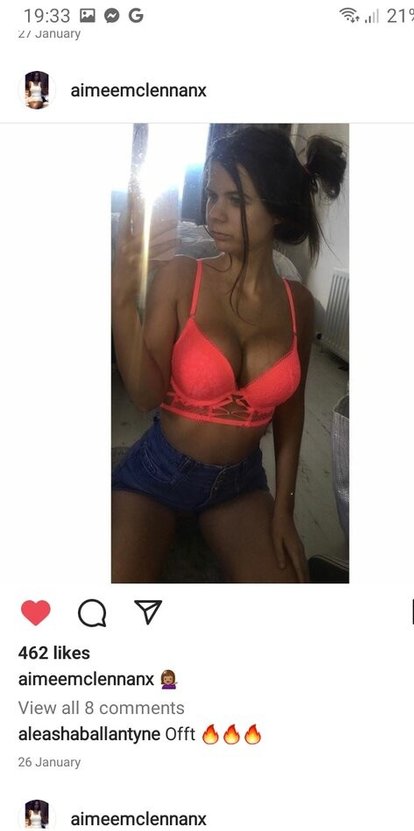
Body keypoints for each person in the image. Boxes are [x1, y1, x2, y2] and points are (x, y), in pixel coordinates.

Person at [112, 126, 346, 583]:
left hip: (237, 486)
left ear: (277, 211)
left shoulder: (297, 304)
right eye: (212, 196)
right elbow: (144, 396)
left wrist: (284, 510)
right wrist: (121, 298)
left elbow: (291, 412)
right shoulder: (181, 278)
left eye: (236, 200)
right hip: (156, 476)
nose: (214, 213)